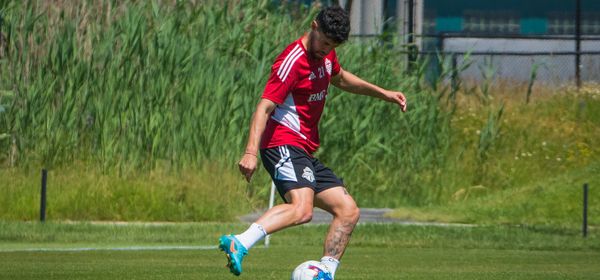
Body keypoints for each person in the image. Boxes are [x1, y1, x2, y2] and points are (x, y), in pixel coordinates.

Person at [218, 5, 407, 278]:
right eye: (325, 43)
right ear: (314, 26)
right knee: (302, 209)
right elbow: (264, 107)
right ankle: (241, 241)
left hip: (303, 149)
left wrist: (384, 93)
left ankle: (325, 273)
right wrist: (250, 153)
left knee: (348, 210)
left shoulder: (326, 55)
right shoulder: (292, 60)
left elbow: (340, 78)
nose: (326, 50)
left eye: (332, 46)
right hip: (281, 142)